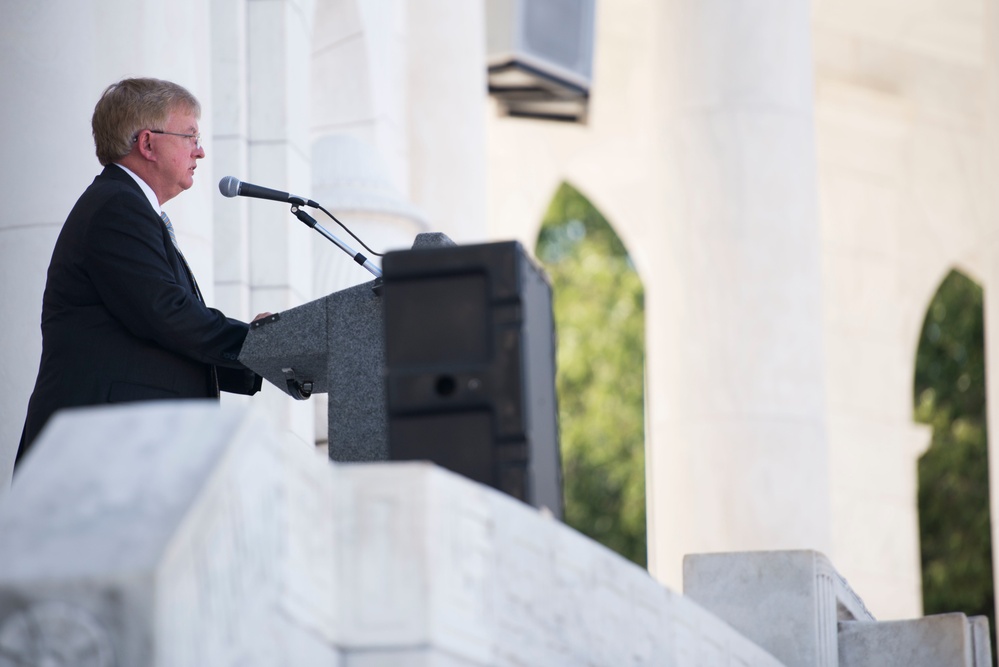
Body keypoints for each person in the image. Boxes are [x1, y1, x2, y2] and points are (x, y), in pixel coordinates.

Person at [16, 77, 270, 466]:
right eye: (190, 136)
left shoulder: (126, 205)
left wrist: (261, 356)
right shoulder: (117, 206)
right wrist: (260, 345)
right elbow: (165, 312)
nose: (199, 152)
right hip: (101, 454)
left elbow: (161, 330)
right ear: (148, 143)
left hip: (123, 448)